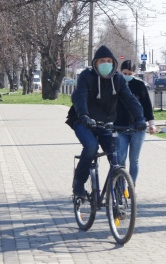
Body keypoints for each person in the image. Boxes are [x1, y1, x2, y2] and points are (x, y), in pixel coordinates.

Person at [66, 45, 147, 198]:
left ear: (114, 63)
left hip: (105, 124)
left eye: (109, 61)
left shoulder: (118, 79)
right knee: (91, 147)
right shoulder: (86, 76)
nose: (106, 64)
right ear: (95, 63)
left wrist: (140, 118)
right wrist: (83, 115)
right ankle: (78, 183)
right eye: (102, 61)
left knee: (116, 156)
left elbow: (130, 100)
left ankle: (117, 198)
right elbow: (79, 96)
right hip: (83, 122)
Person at [114, 60, 156, 185]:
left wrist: (151, 124)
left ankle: (131, 189)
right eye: (124, 73)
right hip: (120, 127)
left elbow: (147, 106)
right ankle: (120, 189)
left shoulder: (139, 85)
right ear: (120, 72)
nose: (127, 75)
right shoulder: (116, 83)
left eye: (130, 73)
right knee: (120, 159)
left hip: (138, 128)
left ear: (135, 73)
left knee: (134, 159)